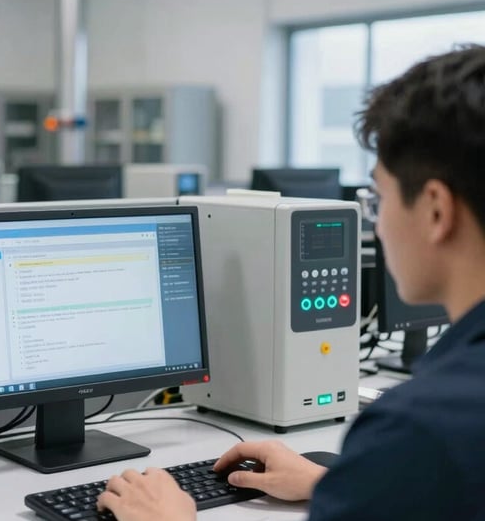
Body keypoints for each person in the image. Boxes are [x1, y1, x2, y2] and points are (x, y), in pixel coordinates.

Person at [97, 44, 485, 521]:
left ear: (436, 211)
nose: (377, 226)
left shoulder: (421, 429)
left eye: (377, 200)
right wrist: (349, 484)